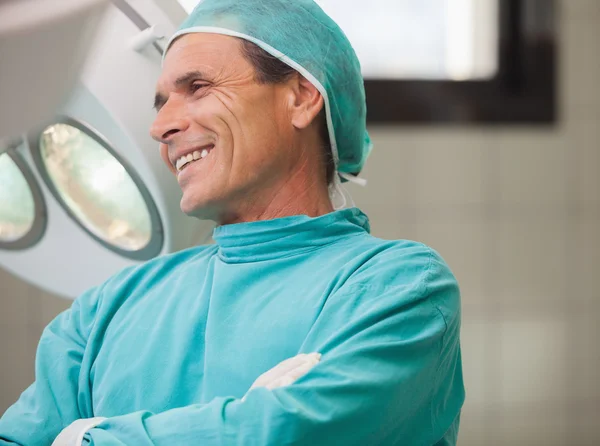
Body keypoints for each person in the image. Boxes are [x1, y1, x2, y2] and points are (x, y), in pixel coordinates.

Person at [0, 0, 465, 444]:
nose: (160, 127)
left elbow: (286, 433)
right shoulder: (106, 309)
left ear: (302, 98)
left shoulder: (397, 288)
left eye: (198, 87)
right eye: (160, 103)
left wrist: (81, 436)